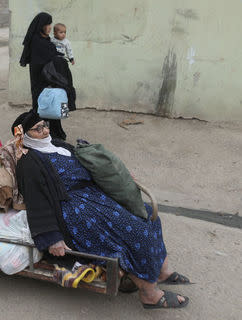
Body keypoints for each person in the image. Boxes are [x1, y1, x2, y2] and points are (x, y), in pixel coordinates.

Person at [13, 111, 190, 309]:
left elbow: (92, 162)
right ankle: (149, 293)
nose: (45, 130)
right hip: (75, 208)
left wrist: (118, 175)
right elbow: (37, 201)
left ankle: (162, 271)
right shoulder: (29, 162)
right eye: (38, 129)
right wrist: (51, 237)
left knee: (148, 214)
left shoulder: (57, 144)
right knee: (133, 231)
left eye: (45, 125)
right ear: (25, 135)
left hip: (94, 194)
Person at [19, 12, 67, 141]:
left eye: (50, 24)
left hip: (48, 80)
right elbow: (42, 61)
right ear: (41, 26)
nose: (50, 27)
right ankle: (36, 131)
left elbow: (51, 55)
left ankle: (52, 133)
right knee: (42, 107)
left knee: (51, 106)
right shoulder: (37, 41)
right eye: (47, 24)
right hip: (41, 81)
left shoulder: (44, 39)